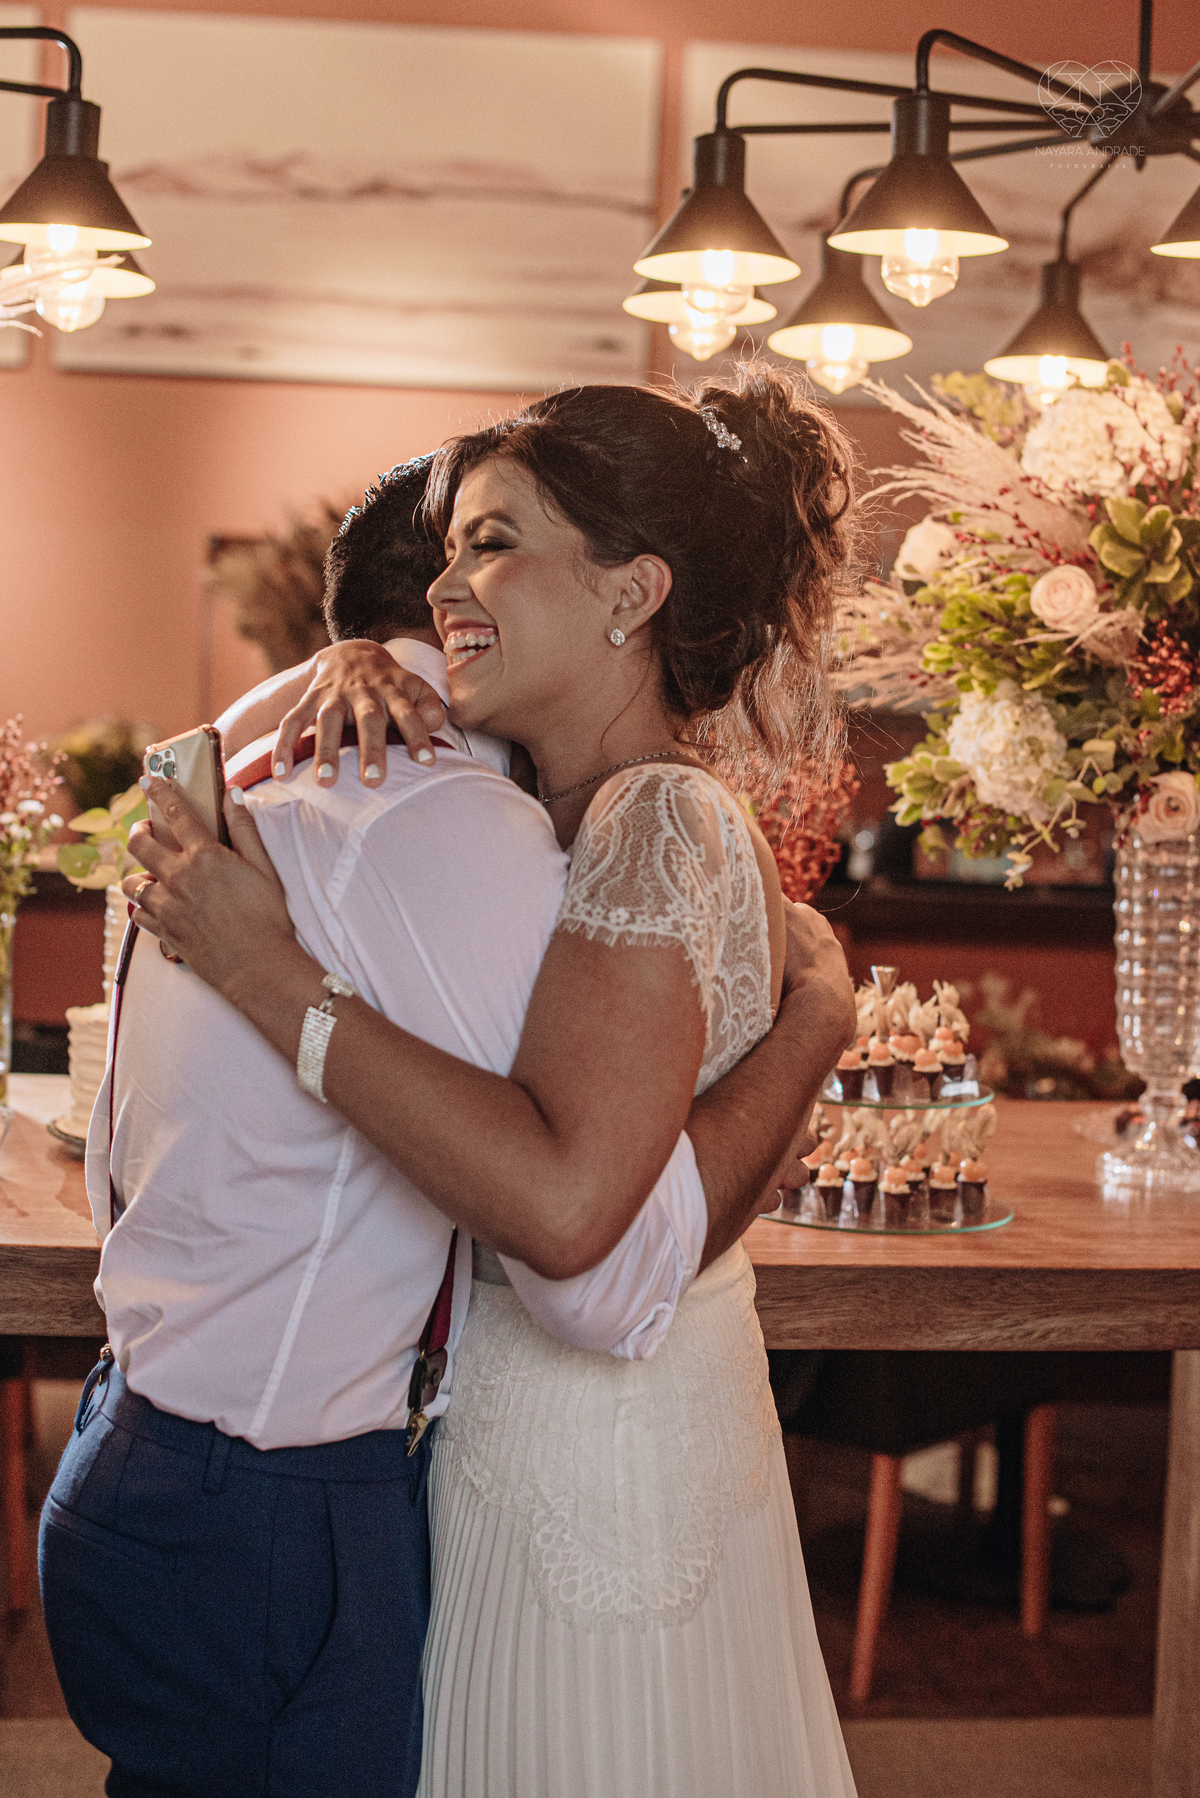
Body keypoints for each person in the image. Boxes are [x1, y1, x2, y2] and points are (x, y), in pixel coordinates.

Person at [40, 442, 853, 1798]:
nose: (475, 582)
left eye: (501, 543)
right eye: (462, 551)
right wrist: (820, 1012)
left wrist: (332, 663)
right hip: (279, 1505)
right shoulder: (445, 820)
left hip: (143, 1450)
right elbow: (597, 1261)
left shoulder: (244, 774)